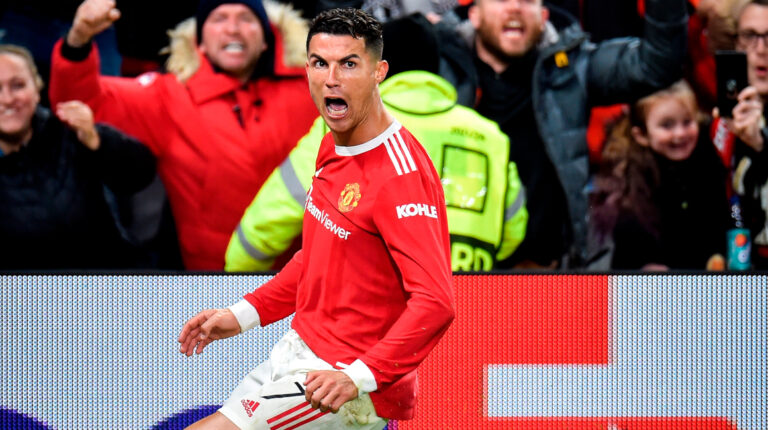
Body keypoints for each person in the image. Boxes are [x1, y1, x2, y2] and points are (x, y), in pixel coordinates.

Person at [178, 8, 454, 429]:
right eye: (320, 63)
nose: (331, 78)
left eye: (348, 64)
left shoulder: (401, 175)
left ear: (379, 71)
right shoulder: (332, 143)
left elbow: (436, 303)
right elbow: (320, 256)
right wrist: (244, 314)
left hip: (343, 384)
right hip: (298, 352)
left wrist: (358, 377)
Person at [225, 14, 527, 272]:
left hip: (369, 315)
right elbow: (513, 230)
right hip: (468, 306)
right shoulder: (489, 135)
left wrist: (235, 283)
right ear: (436, 66)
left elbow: (270, 218)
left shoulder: (344, 126)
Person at [48, 0, 318, 269]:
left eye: (246, 19)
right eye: (219, 19)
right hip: (212, 279)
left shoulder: (311, 88)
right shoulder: (167, 97)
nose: (233, 28)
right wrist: (78, 39)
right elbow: (79, 102)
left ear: (265, 40)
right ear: (199, 42)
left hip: (306, 272)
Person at [421, 0, 688, 269]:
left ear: (543, 17)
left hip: (549, 275)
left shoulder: (572, 66)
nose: (514, 7)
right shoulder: (432, 62)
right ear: (474, 15)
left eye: (527, 1)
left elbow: (658, 63)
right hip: (456, 272)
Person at [0, 44, 156, 269]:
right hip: (24, 298)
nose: (7, 99)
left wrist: (97, 140)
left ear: (37, 88)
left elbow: (141, 175)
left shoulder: (69, 131)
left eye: (18, 86)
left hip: (108, 284)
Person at [592, 81, 730, 270]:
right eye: (667, 125)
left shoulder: (708, 161)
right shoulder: (630, 182)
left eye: (687, 122)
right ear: (641, 135)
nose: (680, 133)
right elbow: (631, 245)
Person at [712, 0, 768, 268]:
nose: (761, 50)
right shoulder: (719, 124)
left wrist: (762, 146)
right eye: (750, 36)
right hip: (734, 276)